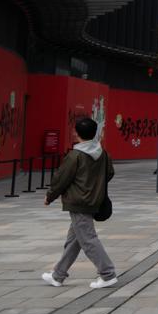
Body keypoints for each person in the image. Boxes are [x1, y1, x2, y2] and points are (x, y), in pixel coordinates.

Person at [42, 117, 118, 289]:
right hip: (93, 200)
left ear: (77, 133)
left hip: (78, 202)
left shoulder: (75, 155)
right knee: (74, 240)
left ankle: (107, 274)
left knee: (88, 239)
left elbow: (62, 179)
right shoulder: (102, 153)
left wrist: (49, 196)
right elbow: (109, 173)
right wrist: (94, 186)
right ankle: (57, 275)